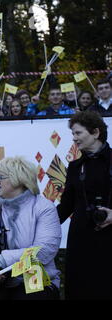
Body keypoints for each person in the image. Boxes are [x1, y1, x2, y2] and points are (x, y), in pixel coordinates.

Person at [0, 156, 62, 300]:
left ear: (17, 179)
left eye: (1, 177)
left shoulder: (44, 207)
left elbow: (44, 249)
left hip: (33, 275)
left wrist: (0, 260)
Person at [57, 111, 112, 299]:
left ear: (95, 132)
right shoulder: (75, 166)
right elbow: (65, 207)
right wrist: (39, 224)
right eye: (73, 134)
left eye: (78, 133)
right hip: (81, 239)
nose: (74, 138)